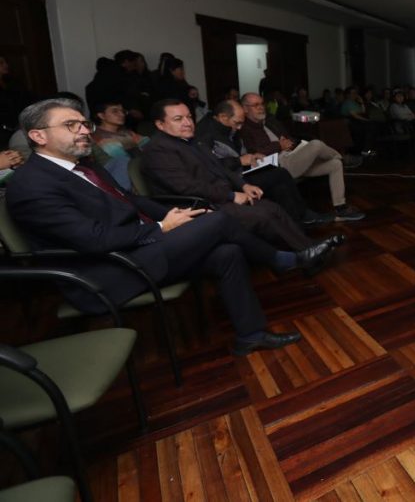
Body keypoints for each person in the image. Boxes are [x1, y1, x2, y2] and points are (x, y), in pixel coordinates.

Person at [5, 98, 326, 355]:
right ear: (38, 136)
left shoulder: (84, 166)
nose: (84, 131)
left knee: (226, 251)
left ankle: (251, 335)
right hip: (104, 274)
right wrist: (161, 227)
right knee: (219, 219)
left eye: (84, 123)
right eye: (70, 124)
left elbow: (129, 201)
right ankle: (281, 260)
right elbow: (93, 240)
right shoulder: (32, 185)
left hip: (136, 249)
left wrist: (174, 213)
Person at [141, 99, 339, 255]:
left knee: (272, 207)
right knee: (262, 214)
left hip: (216, 196)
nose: (187, 123)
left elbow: (220, 167)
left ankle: (309, 248)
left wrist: (243, 186)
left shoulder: (192, 142)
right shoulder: (158, 149)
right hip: (197, 206)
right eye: (178, 119)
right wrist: (230, 195)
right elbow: (186, 187)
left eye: (189, 117)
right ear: (160, 124)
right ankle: (303, 253)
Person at [195, 99, 333, 226]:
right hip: (231, 180)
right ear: (223, 117)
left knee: (279, 182)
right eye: (237, 123)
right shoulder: (206, 133)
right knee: (280, 174)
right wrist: (239, 160)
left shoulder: (227, 128)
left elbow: (238, 151)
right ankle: (301, 218)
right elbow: (210, 165)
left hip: (241, 172)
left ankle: (297, 221)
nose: (239, 127)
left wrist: (251, 156)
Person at [238, 93, 365, 221]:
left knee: (335, 164)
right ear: (245, 108)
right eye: (256, 105)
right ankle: (344, 158)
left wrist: (290, 143)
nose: (261, 107)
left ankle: (341, 207)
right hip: (281, 166)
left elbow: (289, 137)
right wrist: (279, 146)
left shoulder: (270, 120)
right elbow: (255, 153)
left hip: (294, 156)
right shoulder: (244, 128)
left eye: (261, 103)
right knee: (316, 145)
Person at [90, 101, 149, 189]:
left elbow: (149, 145)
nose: (121, 114)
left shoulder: (127, 132)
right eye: (115, 111)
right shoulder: (99, 136)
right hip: (120, 178)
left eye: (123, 111)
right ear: (101, 115)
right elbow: (122, 160)